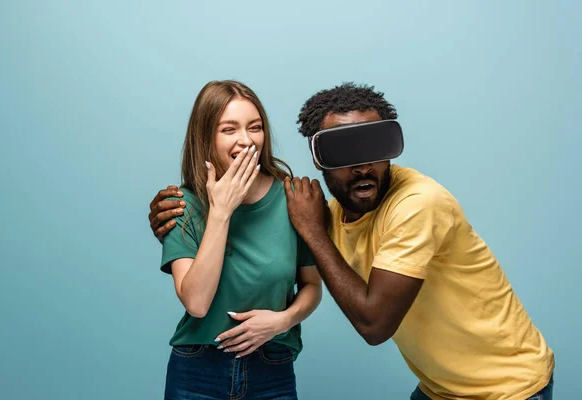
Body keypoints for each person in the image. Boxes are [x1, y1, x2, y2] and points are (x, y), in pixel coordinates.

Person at [149, 83, 555, 400]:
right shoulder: (331, 213)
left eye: (373, 147)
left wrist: (291, 297)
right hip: (442, 389)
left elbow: (372, 322)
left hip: (508, 387)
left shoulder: (415, 204)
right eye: (345, 151)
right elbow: (198, 299)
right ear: (320, 158)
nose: (362, 165)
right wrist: (205, 217)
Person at [153, 80, 322, 400]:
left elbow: (312, 286)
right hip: (196, 373)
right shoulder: (180, 206)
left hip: (273, 369)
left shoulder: (292, 199)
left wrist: (283, 320)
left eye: (254, 127)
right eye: (228, 129)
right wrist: (220, 212)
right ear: (206, 138)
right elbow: (196, 303)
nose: (246, 140)